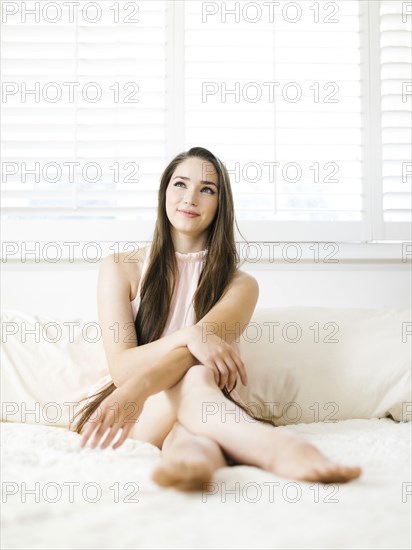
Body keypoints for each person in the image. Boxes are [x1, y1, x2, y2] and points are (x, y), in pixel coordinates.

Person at [72, 147, 362, 491]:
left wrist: (192, 338)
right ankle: (280, 449)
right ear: (164, 193)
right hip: (133, 406)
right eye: (180, 184)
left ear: (220, 204)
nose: (190, 197)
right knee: (194, 377)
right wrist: (188, 335)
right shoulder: (120, 267)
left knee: (194, 396)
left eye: (207, 189)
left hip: (204, 404)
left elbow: (196, 352)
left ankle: (191, 462)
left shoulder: (241, 285)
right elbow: (122, 369)